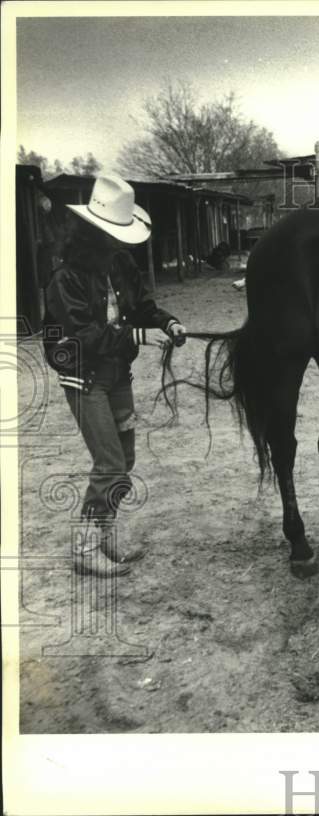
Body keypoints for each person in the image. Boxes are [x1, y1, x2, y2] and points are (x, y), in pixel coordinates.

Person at [43, 174, 187, 577]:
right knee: (108, 461)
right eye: (111, 233)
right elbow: (82, 334)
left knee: (125, 458)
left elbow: (142, 307)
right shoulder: (64, 278)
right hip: (84, 377)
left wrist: (168, 322)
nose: (118, 241)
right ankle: (85, 546)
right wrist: (139, 335)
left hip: (117, 373)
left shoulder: (121, 264)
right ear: (91, 231)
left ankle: (104, 535)